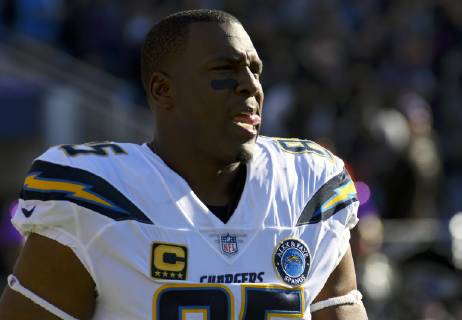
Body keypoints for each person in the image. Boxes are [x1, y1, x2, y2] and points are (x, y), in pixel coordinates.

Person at [0, 9, 367, 320]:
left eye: (255, 70)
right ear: (163, 90)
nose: (250, 86)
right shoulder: (96, 196)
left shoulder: (307, 184)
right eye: (225, 69)